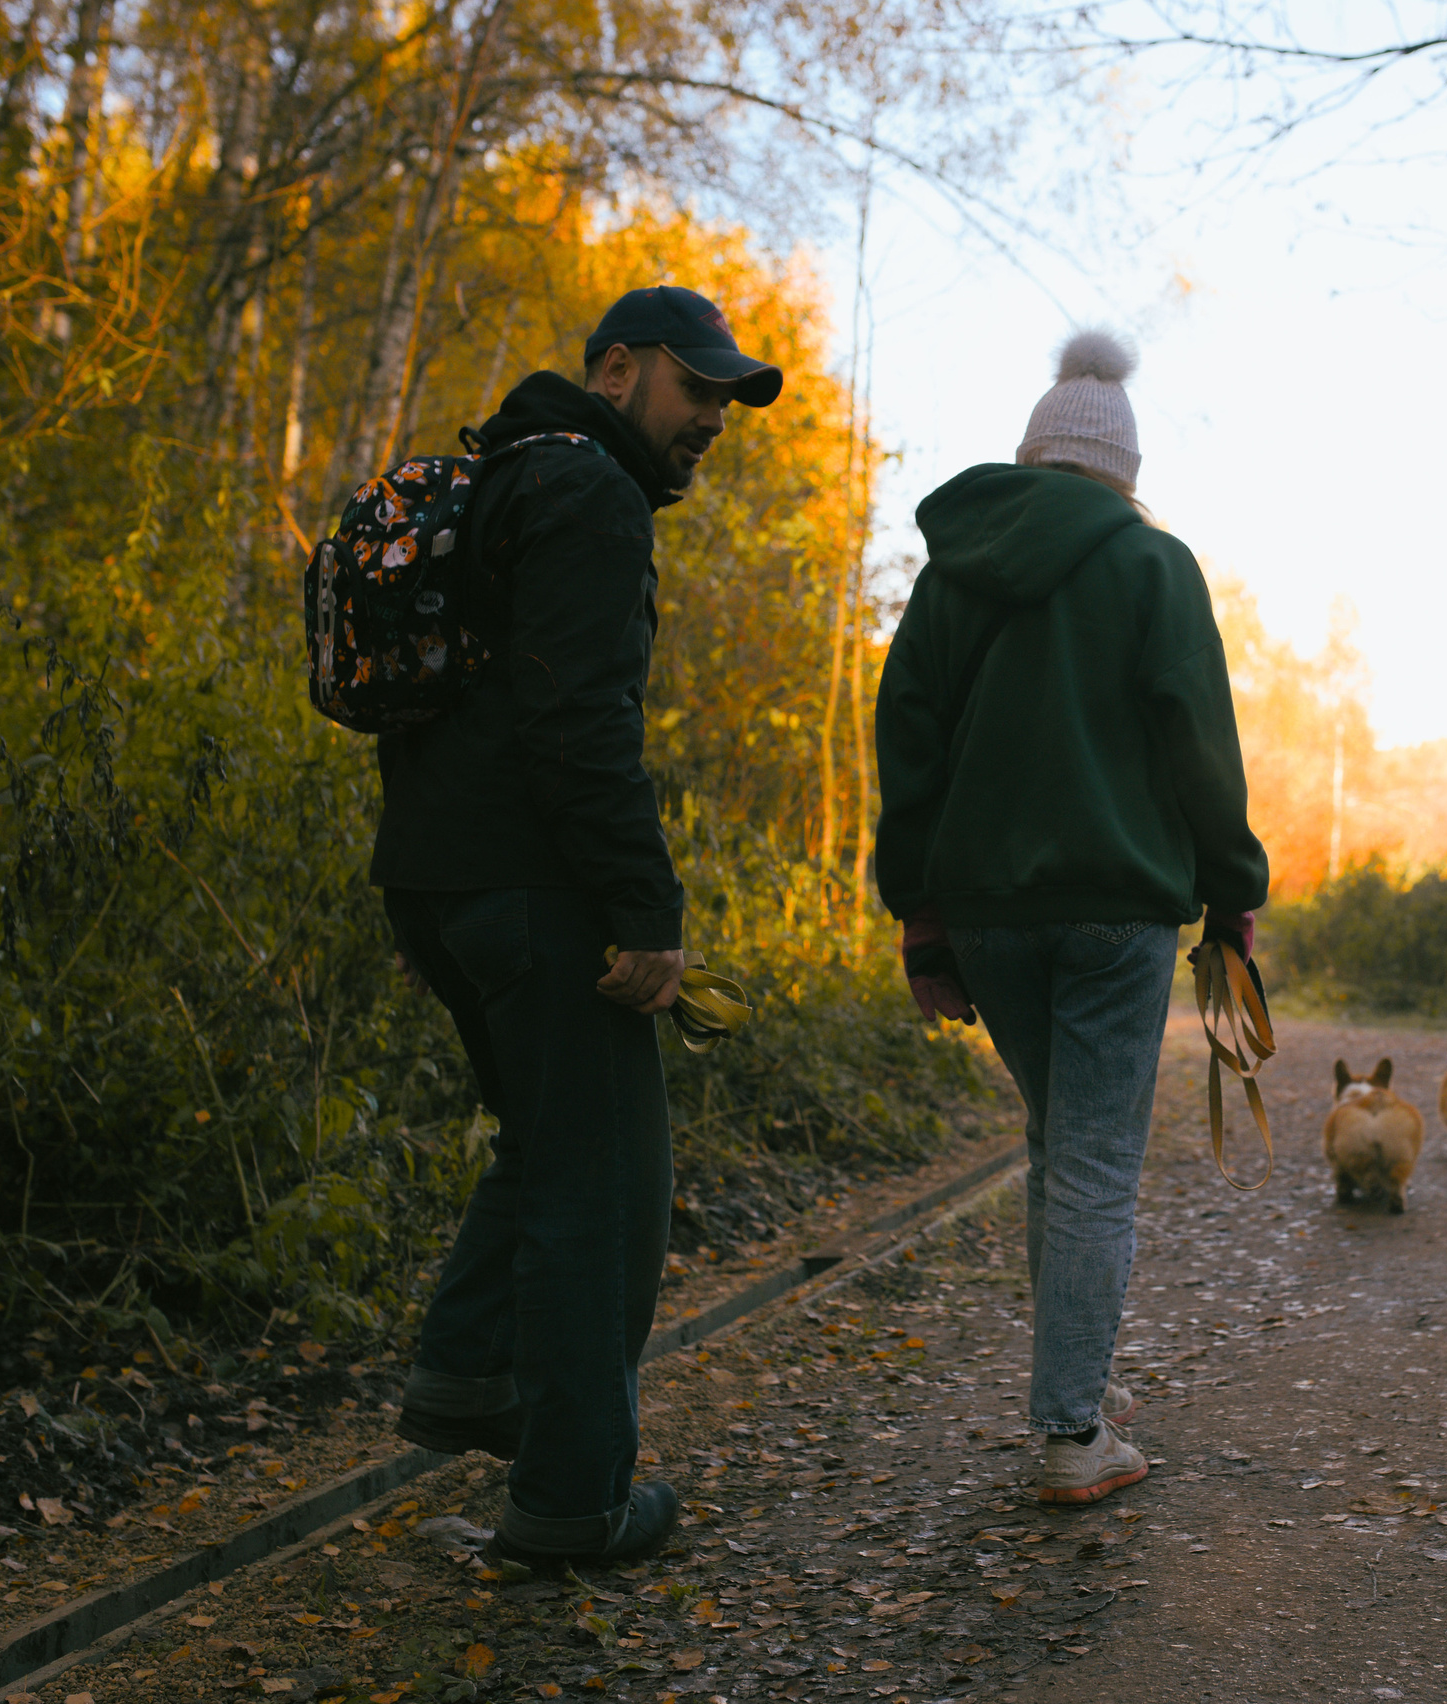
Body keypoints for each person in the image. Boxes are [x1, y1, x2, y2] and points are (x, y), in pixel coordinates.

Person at [373, 286, 783, 1568]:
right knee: (604, 1188)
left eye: (726, 396)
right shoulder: (589, 495)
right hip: (536, 891)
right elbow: (578, 723)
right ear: (614, 370)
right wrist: (644, 913)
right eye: (694, 385)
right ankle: (573, 1497)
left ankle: (467, 1375)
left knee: (550, 1150)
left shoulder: (499, 477)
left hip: (438, 883)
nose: (713, 415)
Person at [871, 329, 1268, 1504]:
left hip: (989, 912)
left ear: (1031, 455)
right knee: (1094, 1160)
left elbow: (909, 748)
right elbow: (1200, 742)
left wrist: (921, 918)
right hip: (1116, 908)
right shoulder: (1153, 567)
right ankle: (1069, 1430)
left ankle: (1075, 1379)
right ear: (1123, 474)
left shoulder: (952, 574)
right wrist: (1232, 891)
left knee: (1058, 1144)